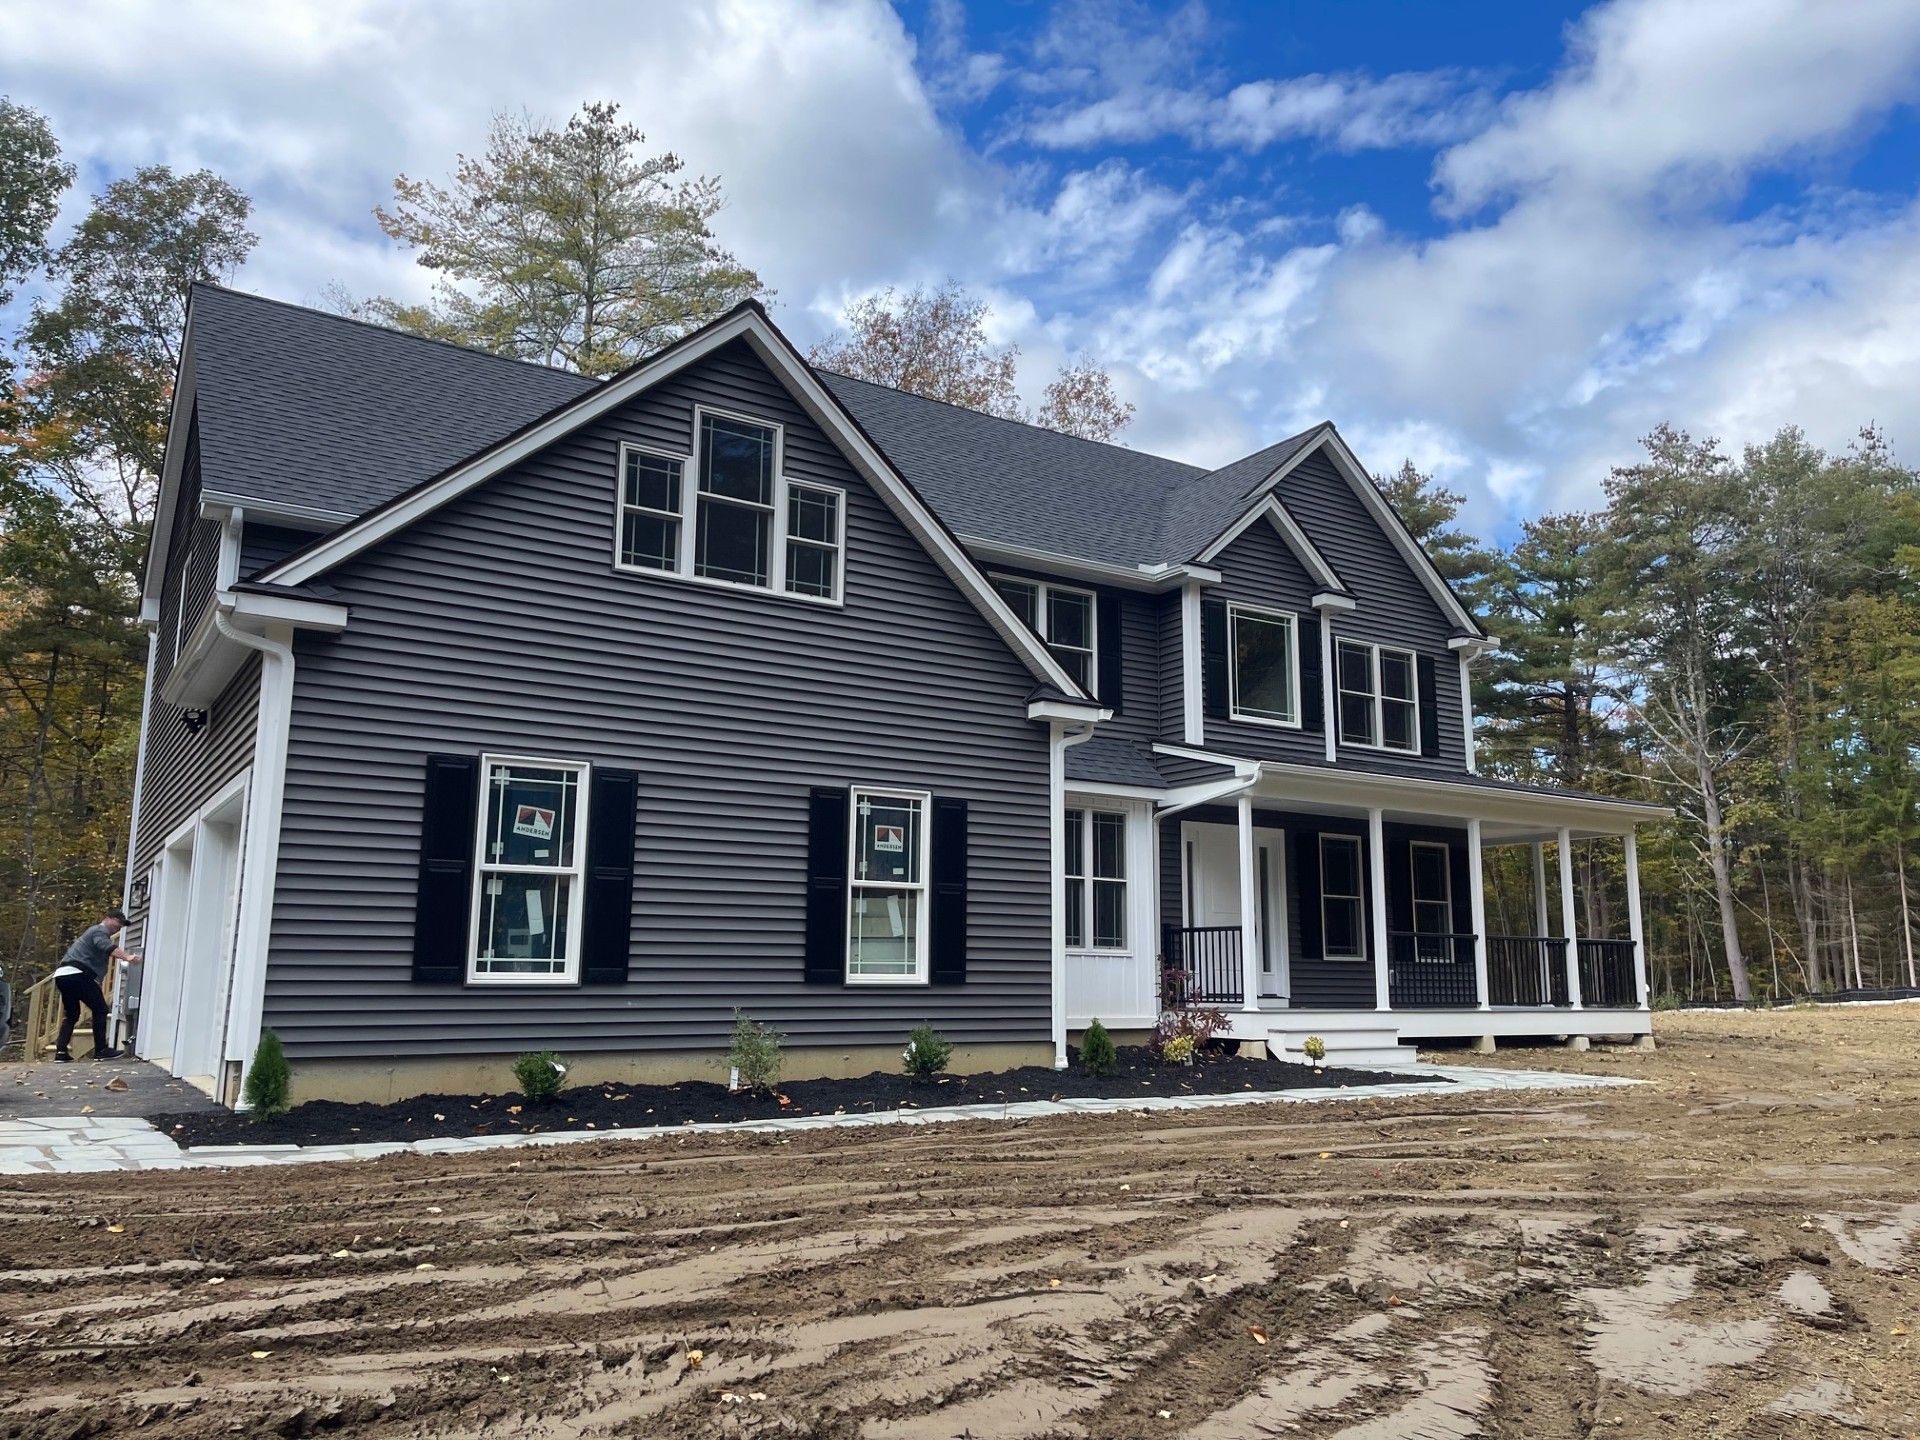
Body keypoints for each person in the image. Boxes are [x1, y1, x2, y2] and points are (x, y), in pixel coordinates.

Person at [52, 908, 139, 1062]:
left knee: (72, 1014)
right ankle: (101, 1050)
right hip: (77, 974)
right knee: (100, 1009)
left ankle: (61, 1052)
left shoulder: (93, 934)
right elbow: (106, 947)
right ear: (108, 918)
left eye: (121, 926)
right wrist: (128, 957)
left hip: (63, 976)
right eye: (118, 923)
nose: (118, 928)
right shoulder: (99, 931)